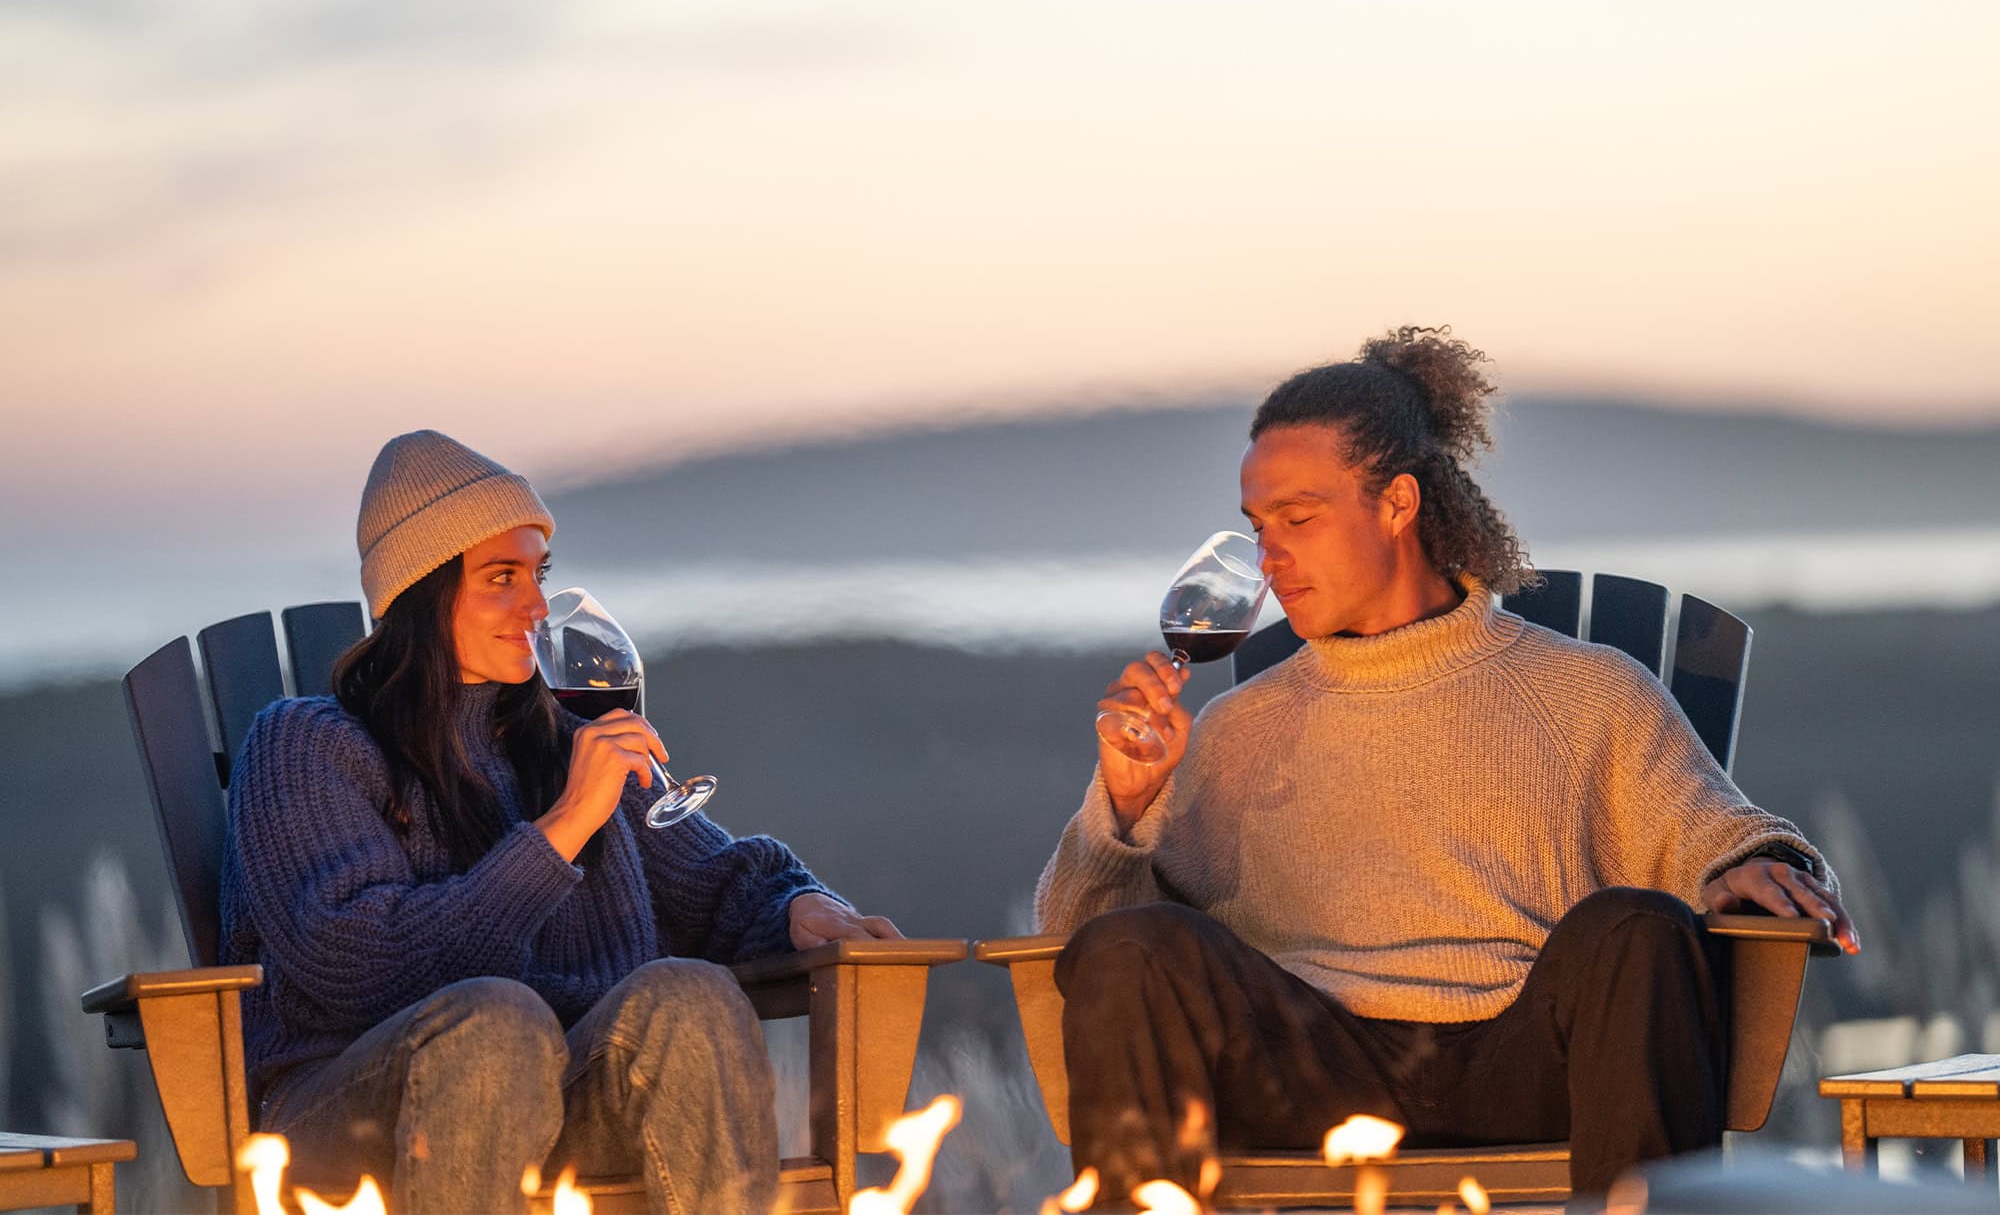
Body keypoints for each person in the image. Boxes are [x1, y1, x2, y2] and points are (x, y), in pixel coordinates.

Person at [1034, 326, 1861, 1209]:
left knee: (1638, 930)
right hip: (1314, 1077)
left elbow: (1712, 830)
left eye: (1300, 519)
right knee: (1135, 946)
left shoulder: (1584, 692)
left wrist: (1759, 861)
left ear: (1396, 504)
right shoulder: (1237, 728)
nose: (1270, 559)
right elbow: (1085, 946)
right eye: (1257, 527)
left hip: (1526, 1067)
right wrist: (1121, 810)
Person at [219, 429, 900, 1215]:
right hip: (351, 1109)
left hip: (564, 1094)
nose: (537, 607)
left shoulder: (560, 742)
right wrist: (563, 829)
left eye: (538, 574)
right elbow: (363, 969)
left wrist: (792, 908)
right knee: (496, 1026)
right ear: (419, 590)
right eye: (501, 578)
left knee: (693, 994)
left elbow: (717, 885)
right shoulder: (308, 744)